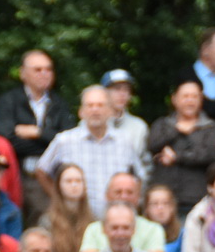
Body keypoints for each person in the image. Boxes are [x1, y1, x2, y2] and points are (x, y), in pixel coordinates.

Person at [36, 86, 142, 220]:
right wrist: (60, 200)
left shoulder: (125, 141)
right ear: (81, 111)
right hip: (75, 219)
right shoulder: (65, 140)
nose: (95, 110)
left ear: (110, 111)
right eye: (90, 105)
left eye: (100, 105)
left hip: (115, 221)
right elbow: (41, 170)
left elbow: (139, 176)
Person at [0, 51, 77, 223]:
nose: (44, 74)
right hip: (17, 175)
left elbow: (69, 141)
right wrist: (50, 141)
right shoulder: (8, 101)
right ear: (23, 74)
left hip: (50, 178)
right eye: (38, 70)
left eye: (48, 69)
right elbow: (8, 141)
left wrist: (37, 132)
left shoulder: (59, 103)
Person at [146, 80, 215, 215]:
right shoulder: (162, 124)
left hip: (196, 197)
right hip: (163, 198)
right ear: (174, 99)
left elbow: (211, 154)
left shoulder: (211, 127)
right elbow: (152, 145)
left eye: (194, 96)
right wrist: (176, 130)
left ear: (201, 100)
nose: (190, 101)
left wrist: (177, 157)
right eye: (185, 96)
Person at [75, 170, 163, 252]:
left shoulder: (153, 229)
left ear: (138, 197)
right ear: (107, 196)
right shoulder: (93, 229)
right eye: (118, 192)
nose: (124, 197)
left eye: (129, 192)